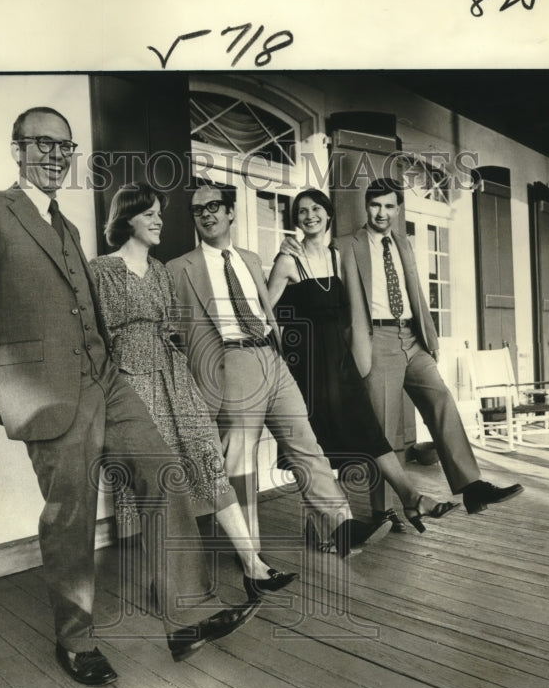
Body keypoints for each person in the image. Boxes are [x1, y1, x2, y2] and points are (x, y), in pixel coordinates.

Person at [0, 107, 259, 687]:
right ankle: (75, 640)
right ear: (17, 149)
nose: (56, 155)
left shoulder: (68, 227)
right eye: (42, 144)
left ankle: (186, 618)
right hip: (44, 391)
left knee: (165, 473)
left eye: (65, 147)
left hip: (104, 380)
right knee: (72, 517)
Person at [89, 182, 297, 599]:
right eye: (149, 213)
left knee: (209, 464)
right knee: (155, 480)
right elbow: (99, 339)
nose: (158, 220)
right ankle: (167, 579)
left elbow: (174, 330)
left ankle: (254, 565)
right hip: (132, 383)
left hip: (175, 375)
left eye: (159, 213)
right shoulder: (101, 270)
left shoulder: (163, 270)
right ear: (127, 217)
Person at [166, 183, 391, 558]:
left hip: (273, 360)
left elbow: (274, 310)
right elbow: (174, 332)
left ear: (231, 212)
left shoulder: (253, 259)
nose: (207, 214)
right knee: (241, 464)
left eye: (215, 206)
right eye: (198, 210)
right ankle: (249, 553)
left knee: (308, 448)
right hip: (230, 364)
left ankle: (342, 527)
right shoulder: (178, 269)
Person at [266, 188, 459, 533]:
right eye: (302, 211)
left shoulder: (338, 256)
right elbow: (264, 313)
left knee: (368, 431)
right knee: (318, 445)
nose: (309, 216)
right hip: (307, 366)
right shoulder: (287, 261)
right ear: (296, 220)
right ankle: (324, 526)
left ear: (327, 215)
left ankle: (411, 499)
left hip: (341, 362)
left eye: (316, 209)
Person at [335, 177, 523, 517]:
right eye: (376, 205)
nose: (382, 212)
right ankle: (383, 511)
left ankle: (472, 486)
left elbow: (416, 293)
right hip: (377, 341)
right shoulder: (346, 245)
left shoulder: (403, 243)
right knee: (382, 429)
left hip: (413, 338)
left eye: (389, 206)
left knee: (442, 400)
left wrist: (430, 338)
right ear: (366, 206)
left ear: (397, 208)